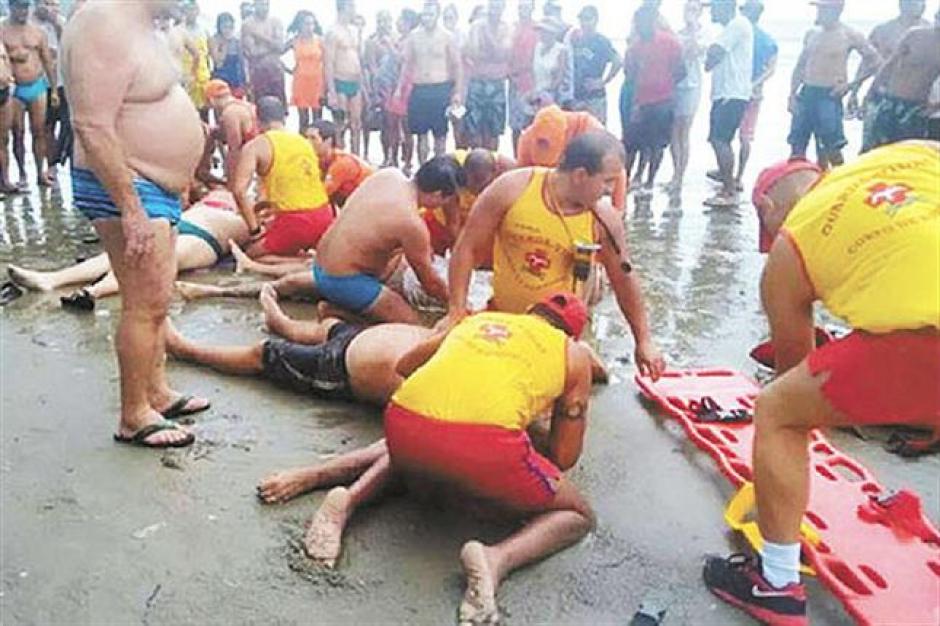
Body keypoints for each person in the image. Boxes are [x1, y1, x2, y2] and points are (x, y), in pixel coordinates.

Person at [704, 140, 940, 626]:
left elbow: (797, 380)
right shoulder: (909, 152)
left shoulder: (790, 247)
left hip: (926, 341)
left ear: (767, 209)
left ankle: (775, 581)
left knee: (778, 412)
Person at [269, 292, 596, 626]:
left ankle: (348, 499)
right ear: (574, 334)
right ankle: (495, 558)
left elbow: (406, 366)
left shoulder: (478, 321)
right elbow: (564, 456)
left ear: (529, 311)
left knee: (426, 439)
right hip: (483, 448)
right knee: (577, 514)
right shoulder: (572, 354)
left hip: (402, 423)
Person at [62, 0, 208, 448]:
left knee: (156, 301)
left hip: (150, 184)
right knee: (144, 305)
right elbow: (91, 124)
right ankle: (133, 414)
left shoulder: (144, 23)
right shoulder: (103, 21)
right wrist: (131, 207)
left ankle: (157, 393)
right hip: (127, 185)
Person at [446, 132, 665, 379]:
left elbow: (624, 278)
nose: (610, 190)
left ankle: (586, 358)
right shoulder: (513, 188)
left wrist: (644, 340)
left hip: (557, 338)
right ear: (580, 175)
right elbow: (467, 248)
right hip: (502, 322)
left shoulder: (604, 219)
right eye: (607, 181)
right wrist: (457, 309)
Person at [177, 157, 459, 325]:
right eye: (448, 199)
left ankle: (212, 290)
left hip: (323, 266)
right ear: (438, 195)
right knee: (412, 325)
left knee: (288, 284)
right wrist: (459, 305)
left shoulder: (388, 175)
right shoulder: (411, 223)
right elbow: (430, 282)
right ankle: (343, 314)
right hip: (344, 281)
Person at [167, 287, 434, 409]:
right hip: (366, 339)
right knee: (328, 325)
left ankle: (186, 349)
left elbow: (405, 367)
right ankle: (280, 321)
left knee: (264, 353)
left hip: (343, 369)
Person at [8, 189, 249, 310]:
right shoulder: (225, 200)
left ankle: (94, 292)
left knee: (146, 263)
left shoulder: (247, 218)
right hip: (181, 224)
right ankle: (51, 279)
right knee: (119, 256)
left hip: (206, 239)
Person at [230, 96, 332, 260]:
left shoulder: (256, 146)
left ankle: (298, 262)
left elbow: (239, 191)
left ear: (257, 120)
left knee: (250, 255)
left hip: (296, 222)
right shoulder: (304, 141)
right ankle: (304, 256)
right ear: (284, 117)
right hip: (324, 215)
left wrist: (255, 231)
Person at [787, 0, 879, 169]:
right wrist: (792, 94)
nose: (819, 13)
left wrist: (851, 85)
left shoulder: (849, 34)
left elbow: (874, 61)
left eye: (823, 9)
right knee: (797, 145)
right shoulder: (812, 34)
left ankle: (839, 181)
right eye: (818, 9)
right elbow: (800, 65)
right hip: (807, 92)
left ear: (836, 10)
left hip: (829, 95)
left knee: (831, 147)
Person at [622, 5, 684, 197]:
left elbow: (681, 71)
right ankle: (626, 180)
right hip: (641, 101)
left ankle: (649, 181)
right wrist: (634, 103)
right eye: (638, 24)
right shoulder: (635, 47)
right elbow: (629, 75)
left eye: (644, 23)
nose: (641, 27)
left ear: (653, 21)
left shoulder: (670, 43)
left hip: (664, 101)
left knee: (657, 145)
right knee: (632, 144)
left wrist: (665, 85)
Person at [516, 104, 627, 211]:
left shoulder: (587, 126)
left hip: (583, 192)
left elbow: (617, 170)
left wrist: (618, 211)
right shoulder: (526, 140)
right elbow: (522, 181)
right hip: (549, 192)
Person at [861, 11, 940, 152]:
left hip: (917, 108)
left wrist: (936, 106)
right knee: (872, 149)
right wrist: (870, 93)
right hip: (889, 101)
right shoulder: (916, 35)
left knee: (905, 153)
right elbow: (889, 63)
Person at [397, 2, 463, 165]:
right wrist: (399, 88)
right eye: (425, 15)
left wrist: (457, 92)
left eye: (431, 15)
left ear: (437, 15)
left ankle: (439, 168)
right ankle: (423, 169)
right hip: (420, 88)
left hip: (440, 88)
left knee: (440, 134)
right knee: (421, 134)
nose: (427, 18)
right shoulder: (414, 36)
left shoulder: (447, 36)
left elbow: (457, 65)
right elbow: (407, 63)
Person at [0, 0, 57, 189]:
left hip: (37, 85)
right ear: (11, 8)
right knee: (17, 132)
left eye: (26, 7)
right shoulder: (2, 30)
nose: (23, 11)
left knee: (39, 131)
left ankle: (41, 172)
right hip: (14, 88)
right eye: (19, 7)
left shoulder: (37, 32)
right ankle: (21, 172)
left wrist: (54, 89)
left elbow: (47, 60)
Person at [702, 0, 753, 208]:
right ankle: (726, 177)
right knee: (720, 139)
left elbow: (715, 51)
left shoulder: (737, 25)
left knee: (720, 139)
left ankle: (728, 190)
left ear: (725, 7)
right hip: (729, 93)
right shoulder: (735, 26)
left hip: (731, 94)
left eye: (714, 7)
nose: (711, 12)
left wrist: (708, 62)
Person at [848, 0, 928, 118]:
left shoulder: (931, 32)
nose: (921, 6)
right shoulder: (883, 31)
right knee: (877, 135)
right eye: (914, 2)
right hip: (884, 95)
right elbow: (867, 64)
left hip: (919, 99)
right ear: (902, 4)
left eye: (923, 2)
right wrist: (854, 92)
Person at [666, 0, 705, 193]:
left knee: (684, 131)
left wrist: (693, 29)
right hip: (675, 87)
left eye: (694, 10)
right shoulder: (677, 35)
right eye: (687, 9)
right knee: (674, 131)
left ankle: (680, 175)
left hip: (692, 86)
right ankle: (675, 172)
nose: (689, 13)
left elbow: (694, 51)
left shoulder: (704, 34)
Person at [463, 0, 511, 151]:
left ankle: (492, 165)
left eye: (498, 6)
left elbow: (503, 54)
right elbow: (472, 53)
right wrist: (492, 53)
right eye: (492, 5)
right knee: (474, 129)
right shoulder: (476, 26)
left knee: (494, 131)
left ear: (503, 8)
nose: (494, 10)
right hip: (477, 81)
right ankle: (476, 163)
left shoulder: (507, 28)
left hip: (497, 83)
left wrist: (488, 38)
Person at [569, 5, 621, 125]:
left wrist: (603, 82)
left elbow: (618, 61)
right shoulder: (575, 40)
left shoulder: (601, 41)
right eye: (582, 19)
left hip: (594, 98)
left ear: (596, 20)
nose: (584, 23)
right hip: (576, 97)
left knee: (596, 133)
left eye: (588, 19)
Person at [381, 9, 419, 171]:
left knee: (406, 125)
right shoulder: (401, 38)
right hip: (394, 84)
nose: (397, 23)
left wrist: (390, 46)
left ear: (408, 23)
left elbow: (403, 60)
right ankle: (393, 158)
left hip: (406, 84)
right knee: (392, 124)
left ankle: (408, 161)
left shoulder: (411, 40)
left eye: (400, 20)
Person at [325, 0, 364, 157]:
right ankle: (339, 156)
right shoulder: (333, 32)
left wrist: (361, 31)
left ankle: (356, 156)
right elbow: (329, 62)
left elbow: (358, 55)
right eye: (352, 7)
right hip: (340, 80)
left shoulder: (352, 31)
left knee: (356, 123)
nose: (355, 11)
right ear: (344, 8)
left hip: (355, 81)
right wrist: (331, 91)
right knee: (340, 124)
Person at [307, 119, 376, 208]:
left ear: (328, 141)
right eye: (307, 137)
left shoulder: (342, 163)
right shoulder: (318, 160)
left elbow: (320, 195)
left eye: (313, 138)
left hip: (369, 204)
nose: (308, 142)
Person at [35, 0, 67, 178]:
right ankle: (51, 165)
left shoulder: (61, 22)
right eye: (46, 3)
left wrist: (57, 25)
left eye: (54, 4)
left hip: (63, 82)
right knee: (46, 127)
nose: (50, 8)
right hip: (41, 84)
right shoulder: (30, 24)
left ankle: (62, 162)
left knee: (68, 126)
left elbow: (69, 44)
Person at [205, 79, 258, 182]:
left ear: (211, 100)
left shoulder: (229, 113)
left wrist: (231, 179)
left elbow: (234, 149)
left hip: (252, 153)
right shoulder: (244, 105)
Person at [363, 10, 395, 163]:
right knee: (383, 124)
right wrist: (375, 90)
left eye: (387, 21)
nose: (385, 24)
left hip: (396, 86)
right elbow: (371, 66)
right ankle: (384, 156)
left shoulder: (396, 38)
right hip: (380, 87)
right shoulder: (371, 41)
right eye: (382, 21)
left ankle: (394, 157)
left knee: (396, 125)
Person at [286, 10, 325, 132]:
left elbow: (328, 61)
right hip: (301, 82)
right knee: (303, 120)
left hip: (317, 82)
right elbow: (276, 53)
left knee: (318, 119)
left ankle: (317, 148)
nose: (310, 27)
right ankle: (303, 146)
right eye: (306, 24)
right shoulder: (294, 41)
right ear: (300, 26)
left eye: (312, 24)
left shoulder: (319, 40)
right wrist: (287, 69)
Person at [508, 0, 537, 153]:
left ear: (533, 8)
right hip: (514, 84)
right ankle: (516, 158)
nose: (523, 9)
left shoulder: (537, 28)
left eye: (526, 6)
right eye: (521, 6)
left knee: (533, 125)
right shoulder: (511, 28)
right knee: (515, 126)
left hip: (533, 84)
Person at [242, 0, 285, 103]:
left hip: (276, 71)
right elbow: (252, 52)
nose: (264, 8)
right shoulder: (248, 24)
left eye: (266, 4)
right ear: (255, 5)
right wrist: (271, 46)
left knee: (279, 107)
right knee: (260, 107)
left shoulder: (276, 22)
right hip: (258, 72)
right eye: (261, 4)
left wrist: (259, 37)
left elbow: (280, 47)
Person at [180, 1, 211, 120]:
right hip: (185, 76)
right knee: (188, 111)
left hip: (202, 76)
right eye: (188, 10)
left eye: (193, 10)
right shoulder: (179, 31)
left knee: (204, 110)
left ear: (198, 11)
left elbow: (209, 54)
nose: (191, 13)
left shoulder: (204, 29)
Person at [530, 19, 567, 111]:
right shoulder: (537, 47)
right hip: (537, 94)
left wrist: (546, 93)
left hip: (552, 95)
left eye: (544, 31)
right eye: (540, 31)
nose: (541, 34)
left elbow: (560, 77)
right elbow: (533, 72)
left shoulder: (561, 50)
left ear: (552, 33)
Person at [209, 12, 247, 98]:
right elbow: (218, 63)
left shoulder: (236, 41)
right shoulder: (213, 40)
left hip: (235, 78)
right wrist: (225, 42)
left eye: (230, 27)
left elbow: (241, 62)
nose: (228, 30)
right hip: (220, 76)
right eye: (225, 27)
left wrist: (244, 81)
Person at [0, 32, 16, 194]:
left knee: (4, 139)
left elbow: (6, 61)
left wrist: (10, 78)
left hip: (4, 90)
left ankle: (5, 180)